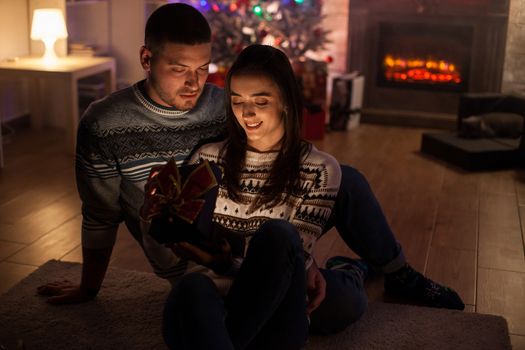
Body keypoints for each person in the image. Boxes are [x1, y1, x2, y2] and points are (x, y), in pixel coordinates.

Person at [37, 3, 464, 315]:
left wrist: (301, 257)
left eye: (203, 68)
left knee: (346, 179)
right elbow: (100, 214)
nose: (194, 82)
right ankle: (348, 271)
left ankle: (397, 272)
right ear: (147, 58)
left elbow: (271, 159)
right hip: (197, 256)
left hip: (255, 232)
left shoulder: (226, 103)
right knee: (328, 308)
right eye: (179, 68)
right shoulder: (104, 123)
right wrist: (88, 289)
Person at [159, 43, 352, 349]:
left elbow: (288, 266)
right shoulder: (208, 159)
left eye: (260, 101)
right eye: (237, 101)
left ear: (286, 101)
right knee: (193, 286)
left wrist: (225, 264)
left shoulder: (320, 169)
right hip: (210, 304)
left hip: (276, 312)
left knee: (279, 235)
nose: (246, 113)